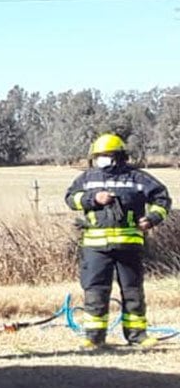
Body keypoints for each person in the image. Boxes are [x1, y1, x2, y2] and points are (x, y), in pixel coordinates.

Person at [65, 133, 171, 349]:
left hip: (128, 246)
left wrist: (152, 218)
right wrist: (93, 199)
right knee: (95, 291)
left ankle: (137, 336)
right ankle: (94, 338)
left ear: (118, 156)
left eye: (105, 155)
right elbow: (70, 198)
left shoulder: (138, 178)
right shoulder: (88, 178)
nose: (100, 159)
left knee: (132, 292)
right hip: (96, 248)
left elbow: (162, 198)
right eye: (97, 156)